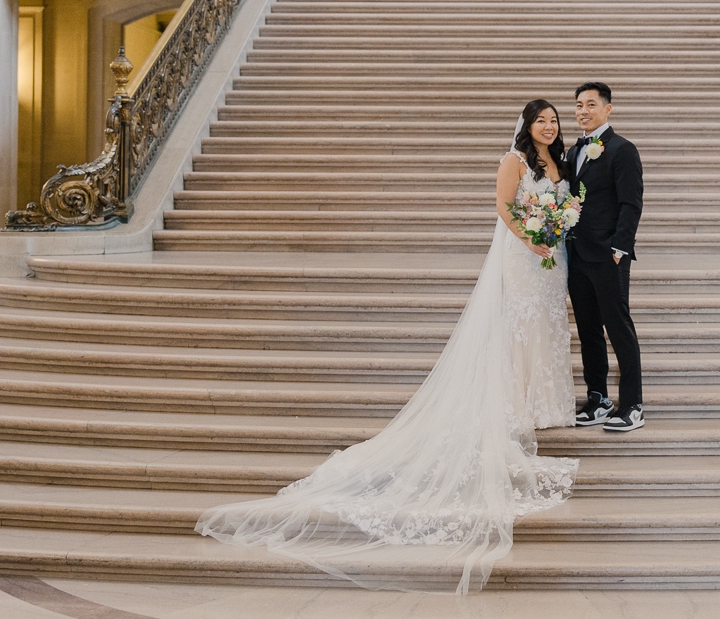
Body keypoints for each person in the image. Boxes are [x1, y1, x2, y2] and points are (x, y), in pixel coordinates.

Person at [196, 100, 579, 594]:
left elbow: (565, 206)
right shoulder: (516, 160)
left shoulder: (560, 162)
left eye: (553, 120)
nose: (548, 126)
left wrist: (555, 229)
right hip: (524, 255)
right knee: (518, 329)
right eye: (541, 120)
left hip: (555, 259)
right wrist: (531, 239)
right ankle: (514, 401)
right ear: (528, 125)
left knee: (547, 328)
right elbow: (504, 206)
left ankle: (544, 400)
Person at [566, 82, 646, 433]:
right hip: (577, 256)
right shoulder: (572, 152)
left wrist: (619, 250)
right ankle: (598, 398)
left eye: (591, 105)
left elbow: (631, 203)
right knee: (587, 330)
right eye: (579, 105)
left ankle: (632, 405)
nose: (584, 111)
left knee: (618, 328)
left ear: (608, 109)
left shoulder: (621, 149)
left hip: (608, 256)